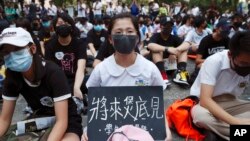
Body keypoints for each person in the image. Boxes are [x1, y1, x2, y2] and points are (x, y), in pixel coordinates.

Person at [82, 13, 171, 141]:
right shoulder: (101, 70)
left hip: (142, 133)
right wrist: (90, 129)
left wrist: (165, 127)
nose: (124, 35)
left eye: (129, 31)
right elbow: (94, 103)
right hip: (109, 132)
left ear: (137, 37)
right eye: (118, 32)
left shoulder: (150, 69)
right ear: (110, 39)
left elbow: (157, 103)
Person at [0, 27, 82, 140]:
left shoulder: (53, 73)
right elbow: (4, 120)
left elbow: (62, 122)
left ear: (33, 49)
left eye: (17, 49)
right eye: (6, 52)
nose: (12, 55)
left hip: (67, 122)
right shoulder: (12, 76)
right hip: (39, 121)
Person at [190, 31, 250, 140]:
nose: (247, 67)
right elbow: (205, 100)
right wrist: (236, 122)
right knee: (201, 117)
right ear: (230, 55)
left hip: (231, 102)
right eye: (244, 63)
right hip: (204, 105)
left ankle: (219, 131)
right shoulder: (214, 61)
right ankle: (239, 132)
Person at [45, 13, 87, 100]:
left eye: (66, 23)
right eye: (60, 23)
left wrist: (76, 87)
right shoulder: (50, 45)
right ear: (55, 27)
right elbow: (50, 70)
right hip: (58, 80)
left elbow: (81, 67)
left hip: (76, 79)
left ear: (71, 26)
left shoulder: (80, 43)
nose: (63, 26)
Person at [189, 18, 231, 85]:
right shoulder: (206, 40)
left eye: (228, 28)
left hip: (221, 65)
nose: (226, 30)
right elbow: (198, 60)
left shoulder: (227, 40)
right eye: (224, 28)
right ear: (217, 28)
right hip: (207, 64)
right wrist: (212, 61)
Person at [147, 16, 183, 86]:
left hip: (171, 64)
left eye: (170, 26)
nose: (168, 28)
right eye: (166, 26)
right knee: (157, 50)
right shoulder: (156, 36)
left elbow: (186, 45)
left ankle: (181, 73)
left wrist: (175, 53)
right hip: (157, 65)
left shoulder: (174, 38)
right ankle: (163, 76)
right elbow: (150, 45)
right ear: (160, 26)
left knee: (183, 50)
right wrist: (167, 49)